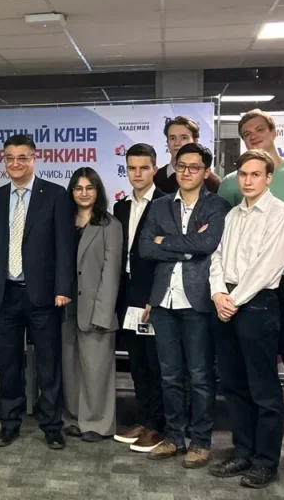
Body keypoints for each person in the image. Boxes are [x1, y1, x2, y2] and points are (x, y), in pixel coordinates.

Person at [218, 109, 284, 459]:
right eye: (246, 133)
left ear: (273, 131)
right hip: (245, 289)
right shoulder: (230, 185)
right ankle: (248, 448)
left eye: (259, 129)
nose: (253, 135)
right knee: (247, 371)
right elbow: (225, 243)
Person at [208, 149, 284, 489]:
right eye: (243, 174)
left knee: (264, 390)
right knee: (233, 385)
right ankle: (243, 452)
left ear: (268, 178)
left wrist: (234, 300)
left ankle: (265, 462)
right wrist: (218, 293)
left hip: (257, 303)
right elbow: (217, 257)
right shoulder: (233, 215)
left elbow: (267, 266)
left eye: (255, 174)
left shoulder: (280, 214)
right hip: (226, 302)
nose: (248, 181)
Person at [137, 143, 230, 468]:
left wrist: (166, 241)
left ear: (206, 172)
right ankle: (174, 437)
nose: (186, 172)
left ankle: (200, 442)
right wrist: (189, 248)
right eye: (181, 166)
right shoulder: (160, 205)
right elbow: (145, 248)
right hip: (163, 300)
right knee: (170, 375)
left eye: (194, 167)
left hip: (198, 300)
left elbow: (209, 242)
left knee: (200, 376)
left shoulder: (217, 205)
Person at [0, 134, 73, 450]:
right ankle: (9, 423)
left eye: (23, 157)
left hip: (44, 296)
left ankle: (52, 425)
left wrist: (63, 288)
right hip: (5, 294)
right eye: (10, 157)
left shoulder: (56, 195)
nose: (16, 163)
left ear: (35, 158)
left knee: (48, 364)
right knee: (8, 364)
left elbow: (65, 245)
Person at [112, 143, 167, 451]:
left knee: (156, 362)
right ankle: (144, 420)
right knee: (137, 362)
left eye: (144, 167)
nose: (137, 173)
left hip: (153, 294)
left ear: (154, 169)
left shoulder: (166, 203)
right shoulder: (120, 207)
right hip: (128, 293)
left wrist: (155, 296)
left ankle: (158, 426)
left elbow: (167, 257)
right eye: (132, 168)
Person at [62, 168, 122, 442]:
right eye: (78, 188)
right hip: (66, 306)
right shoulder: (64, 221)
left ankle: (98, 424)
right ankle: (75, 418)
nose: (83, 193)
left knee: (96, 370)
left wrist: (103, 313)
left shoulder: (110, 225)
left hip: (96, 307)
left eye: (89, 188)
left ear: (98, 191)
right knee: (71, 367)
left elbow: (111, 273)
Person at [154, 117, 221, 194]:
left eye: (184, 138)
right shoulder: (153, 178)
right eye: (172, 138)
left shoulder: (213, 182)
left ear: (195, 141)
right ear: (167, 143)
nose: (177, 143)